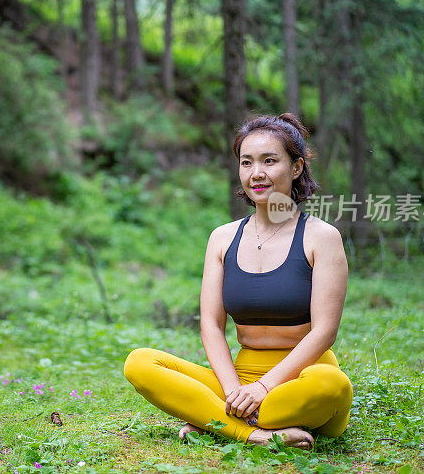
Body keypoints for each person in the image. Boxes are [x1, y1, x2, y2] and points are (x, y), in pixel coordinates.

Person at [123, 113, 352, 448]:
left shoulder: (321, 237)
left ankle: (212, 419)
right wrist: (234, 391)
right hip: (239, 379)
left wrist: (263, 388)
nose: (256, 173)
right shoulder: (222, 238)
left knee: (333, 386)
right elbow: (212, 325)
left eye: (269, 161)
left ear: (297, 167)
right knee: (140, 362)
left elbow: (324, 332)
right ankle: (255, 434)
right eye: (246, 163)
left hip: (303, 377)